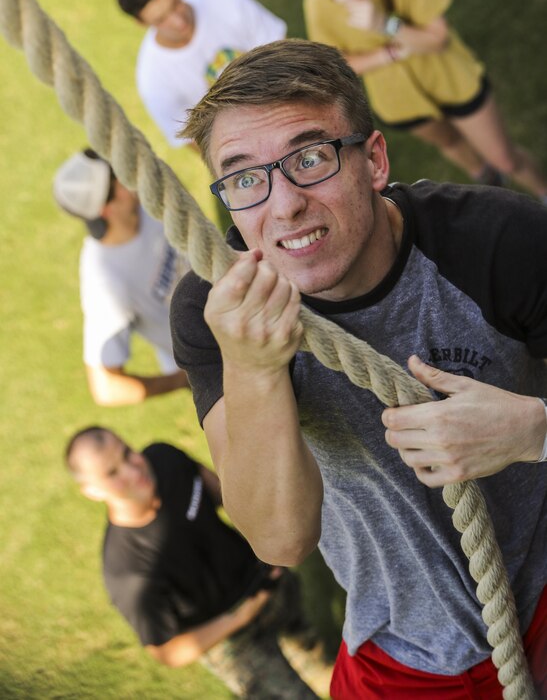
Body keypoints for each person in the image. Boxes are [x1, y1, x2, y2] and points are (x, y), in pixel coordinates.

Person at [169, 39, 547, 698]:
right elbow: (279, 540)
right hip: (400, 652)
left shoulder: (497, 242)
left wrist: (532, 433)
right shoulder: (216, 307)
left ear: (372, 159)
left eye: (310, 158)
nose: (282, 206)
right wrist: (254, 368)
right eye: (244, 177)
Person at [293, 0, 547, 200]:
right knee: (451, 143)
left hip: (450, 78)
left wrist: (384, 25)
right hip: (400, 101)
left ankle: (542, 191)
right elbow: (339, 64)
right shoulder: (316, 2)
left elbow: (438, 40)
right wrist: (390, 53)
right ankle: (487, 180)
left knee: (506, 159)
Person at [65, 426, 320, 698]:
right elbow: (166, 651)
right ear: (91, 491)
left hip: (267, 579)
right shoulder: (126, 572)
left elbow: (225, 495)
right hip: (232, 641)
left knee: (309, 644)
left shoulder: (165, 458)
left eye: (127, 453)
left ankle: (319, 667)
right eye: (112, 473)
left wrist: (269, 540)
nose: (133, 470)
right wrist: (242, 615)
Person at [53, 148, 190, 406]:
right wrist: (182, 379)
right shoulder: (104, 279)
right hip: (215, 357)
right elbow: (107, 388)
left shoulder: (147, 200)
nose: (130, 175)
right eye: (118, 177)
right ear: (105, 209)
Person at [114, 0, 287, 150]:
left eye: (175, 4)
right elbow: (193, 140)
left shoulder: (229, 1)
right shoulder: (153, 80)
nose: (178, 22)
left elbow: (283, 53)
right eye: (161, 19)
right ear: (141, 23)